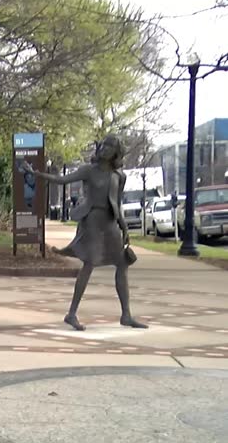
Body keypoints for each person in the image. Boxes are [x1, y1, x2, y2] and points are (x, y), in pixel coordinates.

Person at [22, 134, 147, 331]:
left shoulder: (119, 176)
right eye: (103, 145)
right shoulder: (88, 171)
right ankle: (71, 314)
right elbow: (61, 179)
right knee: (89, 264)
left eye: (110, 146)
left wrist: (124, 228)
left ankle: (126, 315)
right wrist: (37, 173)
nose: (104, 148)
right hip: (92, 221)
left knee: (122, 264)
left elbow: (118, 203)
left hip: (110, 222)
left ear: (116, 152)